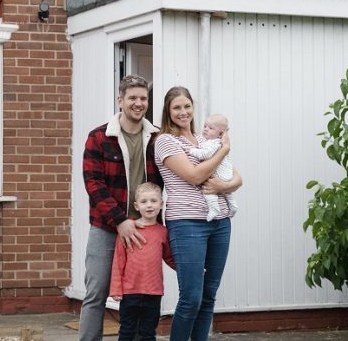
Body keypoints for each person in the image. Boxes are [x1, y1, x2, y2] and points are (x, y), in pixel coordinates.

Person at [79, 75, 163, 341]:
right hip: (106, 227)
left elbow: (173, 176)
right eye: (132, 98)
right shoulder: (99, 137)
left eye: (143, 98)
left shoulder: (157, 138)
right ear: (120, 100)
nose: (138, 103)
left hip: (145, 230)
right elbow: (93, 184)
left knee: (144, 293)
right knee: (96, 293)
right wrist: (120, 220)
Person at [154, 86, 242, 341]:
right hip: (187, 223)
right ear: (168, 112)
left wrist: (223, 185)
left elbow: (236, 177)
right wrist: (224, 150)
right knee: (191, 297)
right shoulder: (165, 141)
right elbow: (194, 176)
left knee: (208, 295)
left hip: (220, 222)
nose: (183, 112)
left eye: (187, 106)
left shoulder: (204, 140)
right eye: (177, 107)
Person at [109, 182, 174, 341]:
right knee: (127, 331)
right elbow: (119, 261)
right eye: (144, 202)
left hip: (154, 292)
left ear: (161, 204)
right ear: (137, 206)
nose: (149, 205)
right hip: (130, 292)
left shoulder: (163, 232)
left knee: (148, 333)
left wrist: (191, 271)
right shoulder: (128, 231)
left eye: (153, 201)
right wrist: (116, 289)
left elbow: (169, 257)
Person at [187, 113, 238, 221]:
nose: (206, 129)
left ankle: (214, 208)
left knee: (208, 190)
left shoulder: (213, 143)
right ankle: (233, 205)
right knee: (227, 192)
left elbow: (206, 154)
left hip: (219, 175)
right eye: (205, 126)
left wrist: (192, 151)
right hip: (226, 174)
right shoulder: (216, 143)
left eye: (211, 128)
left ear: (220, 133)